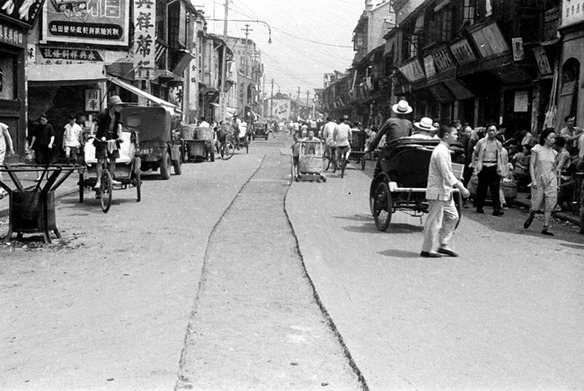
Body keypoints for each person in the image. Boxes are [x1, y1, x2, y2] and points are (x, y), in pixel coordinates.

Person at [421, 125, 470, 258]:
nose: (457, 136)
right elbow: (446, 174)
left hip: (445, 191)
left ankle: (443, 244)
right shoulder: (441, 151)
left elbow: (449, 171)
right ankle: (427, 249)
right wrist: (461, 187)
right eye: (454, 134)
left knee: (453, 217)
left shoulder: (445, 150)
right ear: (446, 135)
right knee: (435, 221)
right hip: (438, 190)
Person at [523, 128, 558, 236]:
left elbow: (555, 168)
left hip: (551, 179)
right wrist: (533, 179)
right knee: (536, 205)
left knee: (549, 203)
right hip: (538, 178)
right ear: (545, 138)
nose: (553, 140)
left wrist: (557, 183)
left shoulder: (554, 153)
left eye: (554, 138)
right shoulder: (536, 149)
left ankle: (546, 226)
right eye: (551, 138)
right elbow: (532, 165)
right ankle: (531, 215)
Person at [92, 95, 124, 189]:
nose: (120, 108)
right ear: (113, 106)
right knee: (100, 160)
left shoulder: (118, 114)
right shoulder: (103, 113)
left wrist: (120, 136)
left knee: (113, 159)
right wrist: (91, 134)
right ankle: (98, 181)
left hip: (113, 138)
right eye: (118, 105)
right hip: (101, 138)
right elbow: (94, 123)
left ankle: (111, 178)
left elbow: (119, 126)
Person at [474, 124, 505, 216]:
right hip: (483, 166)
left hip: (494, 166)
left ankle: (496, 209)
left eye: (493, 130)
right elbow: (474, 153)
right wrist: (474, 164)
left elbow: (500, 156)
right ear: (487, 132)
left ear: (496, 132)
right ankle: (479, 206)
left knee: (495, 189)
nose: (491, 132)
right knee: (482, 188)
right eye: (490, 130)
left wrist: (501, 168)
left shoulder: (498, 143)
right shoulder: (481, 142)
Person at [29, 114, 55, 181]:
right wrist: (31, 145)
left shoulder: (49, 127)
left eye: (43, 120)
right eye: (41, 120)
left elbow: (52, 136)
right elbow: (34, 136)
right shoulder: (38, 127)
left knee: (48, 161)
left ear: (47, 120)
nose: (42, 121)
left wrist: (50, 143)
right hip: (39, 146)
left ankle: (48, 175)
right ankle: (39, 176)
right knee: (38, 161)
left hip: (47, 146)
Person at [0, 122, 14, 199]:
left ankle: (1, 188)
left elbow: (8, 137)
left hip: (0, 150)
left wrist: (11, 148)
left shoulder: (2, 126)